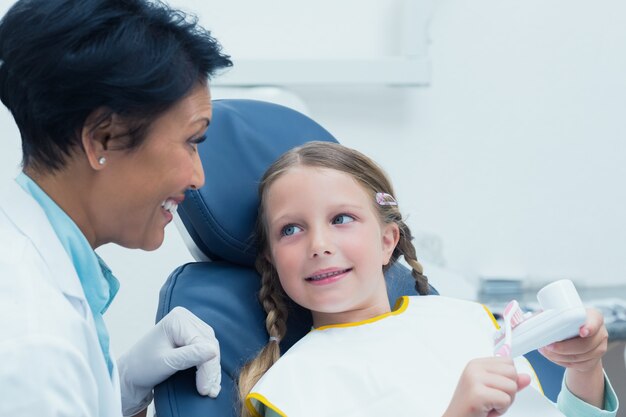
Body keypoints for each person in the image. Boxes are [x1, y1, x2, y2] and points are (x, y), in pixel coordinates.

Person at [238, 141, 618, 417]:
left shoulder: (467, 323)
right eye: (291, 229)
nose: (319, 245)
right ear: (272, 259)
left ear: (388, 241)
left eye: (341, 219)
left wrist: (585, 368)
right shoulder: (296, 390)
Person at [0, 0, 232, 416]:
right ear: (103, 139)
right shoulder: (32, 338)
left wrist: (123, 386)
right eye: (192, 141)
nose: (198, 178)